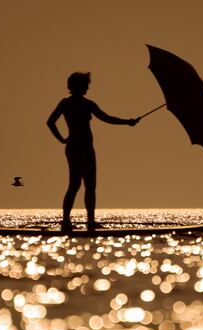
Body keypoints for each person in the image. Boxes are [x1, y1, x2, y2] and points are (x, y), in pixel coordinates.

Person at [47, 72, 139, 231]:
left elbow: (106, 118)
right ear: (78, 86)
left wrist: (127, 122)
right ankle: (69, 221)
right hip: (77, 148)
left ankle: (86, 221)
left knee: (87, 185)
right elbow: (50, 122)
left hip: (85, 148)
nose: (88, 87)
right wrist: (62, 139)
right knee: (77, 184)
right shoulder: (70, 103)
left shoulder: (85, 104)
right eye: (85, 85)